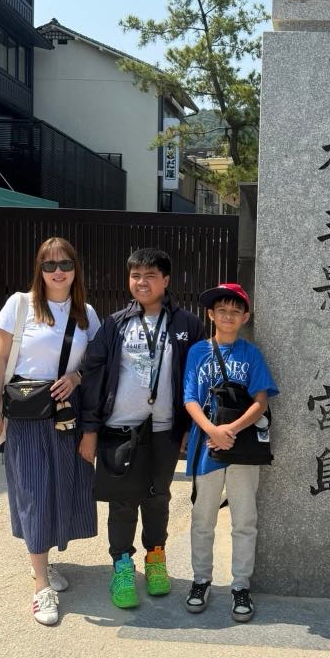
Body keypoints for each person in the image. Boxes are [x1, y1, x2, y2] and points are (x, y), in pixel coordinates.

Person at [0, 237, 101, 626]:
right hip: (29, 413)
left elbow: (98, 364)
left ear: (75, 267)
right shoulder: (20, 305)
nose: (57, 272)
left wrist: (76, 375)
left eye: (64, 263)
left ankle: (46, 566)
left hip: (68, 412)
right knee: (33, 489)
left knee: (63, 485)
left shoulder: (87, 313)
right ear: (39, 269)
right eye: (49, 266)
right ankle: (40, 584)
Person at [79, 248, 204, 609]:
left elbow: (194, 380)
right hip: (119, 429)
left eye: (150, 275)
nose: (142, 282)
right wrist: (89, 430)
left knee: (157, 497)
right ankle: (121, 565)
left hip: (165, 429)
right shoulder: (115, 323)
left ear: (166, 280)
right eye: (135, 275)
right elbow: (93, 377)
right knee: (121, 503)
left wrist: (187, 429)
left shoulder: (187, 325)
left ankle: (156, 558)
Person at [183, 283, 278, 623]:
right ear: (211, 314)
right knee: (202, 518)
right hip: (205, 446)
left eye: (235, 311)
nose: (227, 316)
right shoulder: (198, 352)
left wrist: (231, 431)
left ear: (245, 316)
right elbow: (190, 399)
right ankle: (201, 580)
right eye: (221, 310)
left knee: (244, 521)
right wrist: (213, 431)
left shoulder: (251, 353)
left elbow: (261, 400)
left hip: (242, 448)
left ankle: (240, 586)